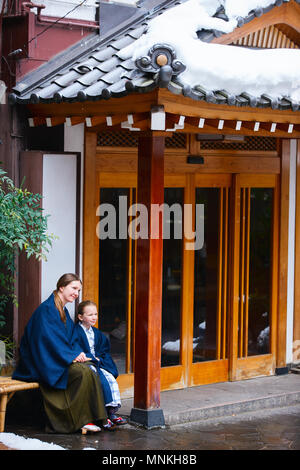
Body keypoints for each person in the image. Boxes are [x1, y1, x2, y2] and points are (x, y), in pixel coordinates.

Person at [12, 273, 109, 434]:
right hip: (40, 362)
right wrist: (71, 356)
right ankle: (77, 421)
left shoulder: (61, 309)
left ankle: (94, 418)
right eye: (74, 288)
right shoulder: (47, 309)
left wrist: (78, 353)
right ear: (61, 287)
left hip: (56, 357)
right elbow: (47, 341)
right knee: (82, 372)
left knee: (90, 367)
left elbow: (71, 339)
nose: (76, 293)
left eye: (78, 290)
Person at [74, 300, 127, 425]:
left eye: (96, 314)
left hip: (97, 362)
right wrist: (89, 357)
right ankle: (101, 415)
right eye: (90, 315)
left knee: (109, 378)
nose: (94, 317)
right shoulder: (75, 332)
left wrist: (100, 359)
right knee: (98, 381)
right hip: (85, 363)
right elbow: (74, 348)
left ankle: (111, 412)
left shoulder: (97, 333)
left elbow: (104, 351)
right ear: (80, 317)